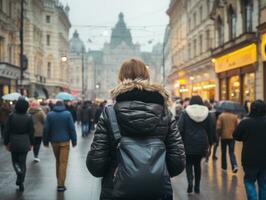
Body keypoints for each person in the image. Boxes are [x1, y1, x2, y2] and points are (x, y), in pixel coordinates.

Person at [86, 59, 185, 200]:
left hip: (116, 190)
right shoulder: (165, 113)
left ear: (121, 79)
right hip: (156, 191)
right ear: (146, 78)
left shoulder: (110, 113)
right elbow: (178, 162)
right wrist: (155, 171)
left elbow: (95, 165)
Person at [178, 95, 215, 194]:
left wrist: (178, 142)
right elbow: (211, 129)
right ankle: (197, 187)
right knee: (197, 164)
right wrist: (211, 143)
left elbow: (180, 128)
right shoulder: (206, 113)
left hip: (187, 143)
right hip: (202, 143)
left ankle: (190, 181)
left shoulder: (185, 113)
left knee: (188, 164)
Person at [233, 100, 266, 200]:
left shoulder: (245, 122)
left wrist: (246, 137)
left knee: (249, 181)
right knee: (263, 183)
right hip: (265, 158)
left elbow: (236, 136)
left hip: (249, 158)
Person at [43, 100, 77, 192]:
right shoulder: (67, 114)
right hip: (65, 142)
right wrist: (74, 141)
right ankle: (61, 185)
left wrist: (45, 141)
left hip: (54, 142)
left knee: (58, 161)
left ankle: (59, 181)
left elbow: (46, 129)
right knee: (63, 163)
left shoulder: (50, 114)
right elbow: (72, 128)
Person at [4, 97, 34, 192]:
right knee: (23, 162)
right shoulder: (29, 117)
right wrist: (32, 143)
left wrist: (6, 142)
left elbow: (7, 130)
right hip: (25, 141)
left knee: (15, 161)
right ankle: (21, 181)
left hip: (14, 141)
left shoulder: (11, 116)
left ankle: (18, 172)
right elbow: (31, 131)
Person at [216, 108, 238, 173]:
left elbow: (218, 127)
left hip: (223, 137)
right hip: (232, 137)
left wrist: (218, 135)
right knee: (231, 152)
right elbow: (237, 127)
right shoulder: (234, 116)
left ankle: (224, 167)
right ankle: (234, 165)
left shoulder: (221, 116)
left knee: (223, 152)